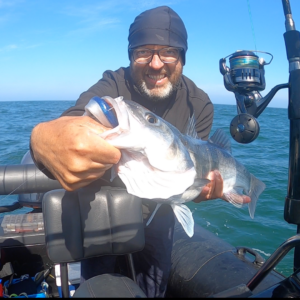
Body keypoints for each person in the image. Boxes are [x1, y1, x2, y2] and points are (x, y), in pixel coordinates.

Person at [30, 6, 250, 298]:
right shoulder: (114, 86)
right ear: (131, 55)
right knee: (98, 284)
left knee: (153, 288)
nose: (156, 63)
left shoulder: (200, 103)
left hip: (161, 213)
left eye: (169, 51)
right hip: (100, 208)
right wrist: (41, 137)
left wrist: (202, 191)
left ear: (182, 58)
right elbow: (71, 122)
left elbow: (193, 171)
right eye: (143, 51)